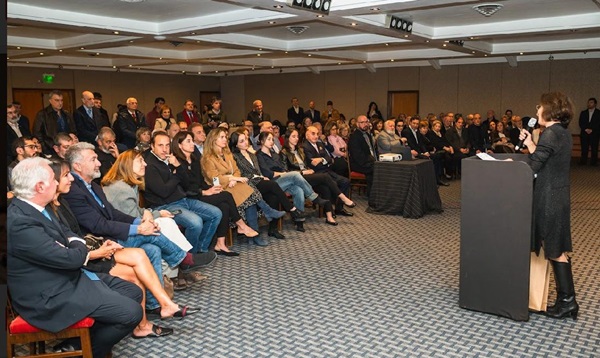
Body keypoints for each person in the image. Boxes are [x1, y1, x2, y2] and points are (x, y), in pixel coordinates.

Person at [8, 157, 143, 358]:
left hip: (67, 278)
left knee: (132, 291)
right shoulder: (20, 221)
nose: (57, 182)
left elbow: (69, 234)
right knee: (132, 313)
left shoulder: (38, 206)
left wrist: (74, 244)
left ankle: (76, 344)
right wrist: (76, 245)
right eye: (53, 179)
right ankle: (89, 352)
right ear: (39, 186)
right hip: (48, 296)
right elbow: (72, 257)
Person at [49, 160, 197, 340]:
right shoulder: (65, 200)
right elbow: (90, 228)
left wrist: (138, 223)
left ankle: (158, 307)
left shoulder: (70, 197)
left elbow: (109, 216)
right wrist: (137, 229)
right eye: (66, 175)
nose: (71, 178)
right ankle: (167, 293)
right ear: (52, 181)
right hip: (87, 257)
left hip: (93, 248)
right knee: (144, 246)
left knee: (149, 250)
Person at [518, 92, 578, 320]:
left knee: (554, 248)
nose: (536, 112)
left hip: (549, 198)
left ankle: (568, 301)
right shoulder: (560, 132)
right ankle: (567, 300)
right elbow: (545, 160)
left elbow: (534, 166)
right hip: (557, 194)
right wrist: (531, 143)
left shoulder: (551, 133)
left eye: (539, 107)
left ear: (549, 110)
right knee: (555, 246)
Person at [170, 131, 260, 253]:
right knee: (227, 195)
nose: (192, 144)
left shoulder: (194, 159)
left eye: (192, 140)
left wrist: (210, 189)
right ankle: (241, 225)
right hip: (190, 198)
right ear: (179, 145)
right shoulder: (177, 163)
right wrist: (203, 192)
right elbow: (183, 187)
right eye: (188, 141)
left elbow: (200, 181)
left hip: (200, 192)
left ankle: (220, 244)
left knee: (224, 205)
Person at [142, 132, 222, 255]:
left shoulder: (171, 160)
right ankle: (189, 258)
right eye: (160, 145)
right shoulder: (149, 165)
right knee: (195, 223)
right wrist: (175, 176)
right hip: (165, 206)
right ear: (152, 146)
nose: (165, 149)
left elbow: (186, 183)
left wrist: (178, 167)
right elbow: (163, 192)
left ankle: (201, 250)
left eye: (167, 145)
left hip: (182, 200)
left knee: (216, 213)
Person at [201, 127, 285, 244]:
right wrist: (232, 178)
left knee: (249, 200)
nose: (225, 139)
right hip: (221, 188)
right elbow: (214, 177)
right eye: (222, 137)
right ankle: (266, 212)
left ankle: (254, 235)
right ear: (214, 139)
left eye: (225, 137)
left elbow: (236, 170)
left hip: (234, 184)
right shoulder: (207, 158)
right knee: (248, 189)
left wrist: (235, 178)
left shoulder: (227, 154)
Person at [230, 130, 307, 237]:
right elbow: (239, 174)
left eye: (246, 140)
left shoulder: (252, 155)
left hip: (259, 181)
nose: (245, 142)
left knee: (273, 197)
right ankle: (292, 209)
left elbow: (258, 171)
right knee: (273, 185)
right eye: (241, 141)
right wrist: (258, 176)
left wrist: (261, 176)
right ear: (236, 144)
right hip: (248, 184)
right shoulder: (235, 156)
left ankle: (273, 229)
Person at [256, 131, 336, 227]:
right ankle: (314, 198)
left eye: (272, 139)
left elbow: (283, 168)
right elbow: (267, 173)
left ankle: (299, 220)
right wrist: (283, 174)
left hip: (283, 179)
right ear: (261, 141)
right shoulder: (259, 155)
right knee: (294, 174)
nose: (272, 141)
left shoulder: (274, 154)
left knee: (299, 190)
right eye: (269, 139)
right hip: (273, 183)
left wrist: (284, 173)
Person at [281, 129, 355, 216]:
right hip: (298, 177)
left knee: (326, 186)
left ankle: (329, 215)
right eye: (293, 136)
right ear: (287, 138)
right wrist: (303, 172)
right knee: (325, 177)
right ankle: (343, 197)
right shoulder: (284, 152)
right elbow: (286, 172)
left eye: (297, 136)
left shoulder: (300, 150)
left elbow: (328, 159)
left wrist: (316, 164)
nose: (296, 138)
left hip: (310, 174)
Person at [302, 126, 352, 216]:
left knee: (345, 181)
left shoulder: (320, 144)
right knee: (329, 185)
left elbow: (329, 158)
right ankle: (328, 211)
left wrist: (321, 159)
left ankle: (339, 208)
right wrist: (324, 160)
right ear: (307, 135)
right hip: (316, 174)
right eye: (313, 134)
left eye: (317, 134)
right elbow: (312, 163)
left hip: (327, 171)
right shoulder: (305, 147)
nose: (316, 136)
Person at [33, 90, 76, 155]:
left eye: (61, 100)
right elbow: (37, 133)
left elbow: (73, 130)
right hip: (50, 148)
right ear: (50, 101)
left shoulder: (66, 114)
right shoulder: (42, 114)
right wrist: (45, 148)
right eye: (57, 100)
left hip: (67, 148)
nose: (60, 103)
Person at [349, 115, 378, 197]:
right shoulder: (354, 137)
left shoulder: (368, 135)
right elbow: (358, 156)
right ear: (357, 124)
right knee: (375, 169)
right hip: (358, 163)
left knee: (379, 167)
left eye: (366, 122)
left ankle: (373, 194)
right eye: (362, 122)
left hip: (368, 161)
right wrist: (372, 162)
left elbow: (373, 151)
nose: (365, 124)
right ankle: (372, 196)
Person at [578, 97, 600, 166]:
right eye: (588, 102)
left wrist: (592, 130)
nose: (589, 104)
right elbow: (580, 122)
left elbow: (599, 123)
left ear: (595, 104)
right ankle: (583, 161)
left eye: (591, 102)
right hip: (584, 133)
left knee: (594, 149)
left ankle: (593, 162)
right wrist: (585, 129)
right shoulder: (583, 112)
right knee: (584, 148)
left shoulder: (599, 113)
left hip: (595, 134)